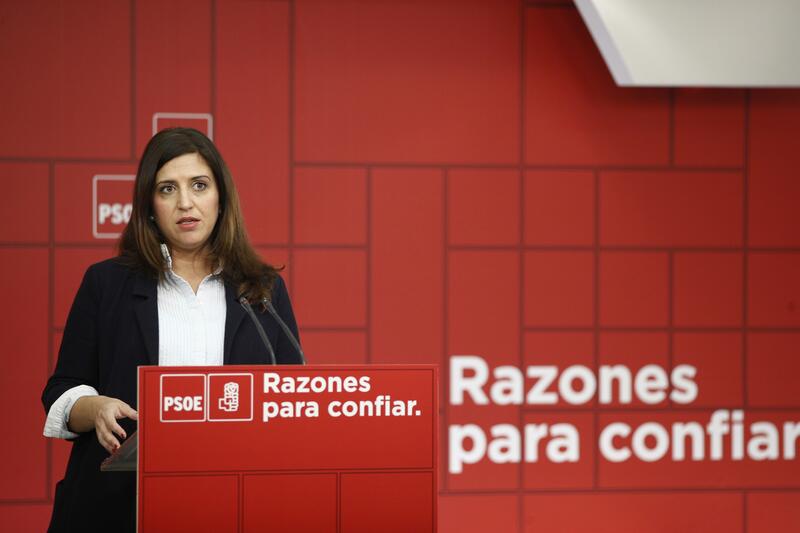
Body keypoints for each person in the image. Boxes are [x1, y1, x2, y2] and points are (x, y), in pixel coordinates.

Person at [41, 127, 303, 532]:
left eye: (199, 185)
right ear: (149, 205)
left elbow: (292, 400)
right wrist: (95, 408)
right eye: (167, 189)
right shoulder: (106, 283)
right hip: (120, 508)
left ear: (221, 198)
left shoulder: (263, 290)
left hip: (234, 506)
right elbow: (62, 389)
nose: (185, 202)